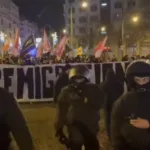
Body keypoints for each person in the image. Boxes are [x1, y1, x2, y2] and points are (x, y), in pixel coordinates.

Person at [54, 65, 106, 150]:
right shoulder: (66, 91)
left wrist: (86, 99)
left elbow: (100, 103)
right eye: (76, 78)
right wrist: (59, 129)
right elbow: (61, 112)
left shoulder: (94, 89)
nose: (78, 81)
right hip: (76, 128)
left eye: (80, 78)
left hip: (89, 128)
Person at [111, 60, 150, 150]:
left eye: (145, 79)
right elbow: (116, 129)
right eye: (137, 80)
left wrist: (148, 124)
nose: (141, 83)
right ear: (132, 80)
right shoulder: (123, 101)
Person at [101, 68, 124, 139]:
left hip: (107, 105)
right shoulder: (119, 83)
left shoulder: (103, 84)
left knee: (108, 121)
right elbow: (121, 90)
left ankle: (110, 136)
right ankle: (117, 134)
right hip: (117, 104)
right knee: (117, 120)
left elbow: (101, 94)